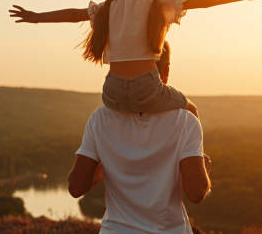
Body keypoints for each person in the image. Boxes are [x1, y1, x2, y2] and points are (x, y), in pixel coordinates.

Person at [9, 0, 262, 118]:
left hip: (111, 92)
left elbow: (72, 14)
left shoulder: (108, 8)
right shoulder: (161, 4)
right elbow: (205, 0)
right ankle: (194, 167)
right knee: (191, 111)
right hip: (147, 88)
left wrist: (34, 17)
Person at [67, 40, 211, 233]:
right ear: (165, 71)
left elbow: (76, 187)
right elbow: (196, 193)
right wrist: (205, 170)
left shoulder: (100, 119)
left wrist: (111, 165)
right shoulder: (186, 121)